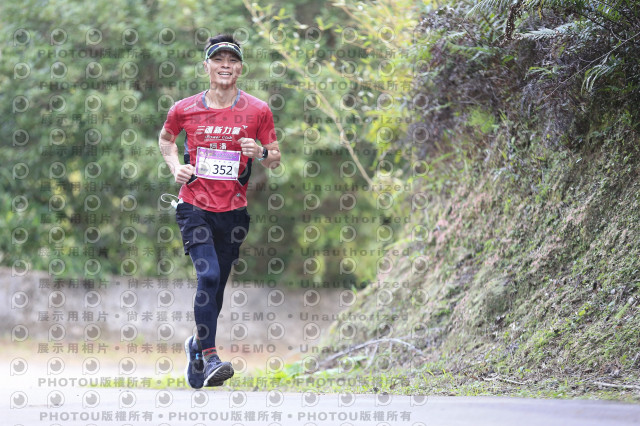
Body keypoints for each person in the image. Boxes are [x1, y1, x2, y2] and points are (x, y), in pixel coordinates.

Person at [158, 34, 281, 388]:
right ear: (207, 66)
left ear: (240, 68)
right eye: (218, 59)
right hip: (194, 205)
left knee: (217, 287)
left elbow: (274, 158)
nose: (225, 65)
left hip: (234, 212)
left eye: (232, 60)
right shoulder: (184, 108)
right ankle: (211, 357)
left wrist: (259, 151)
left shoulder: (258, 110)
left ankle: (197, 348)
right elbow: (166, 139)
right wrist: (175, 167)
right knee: (208, 276)